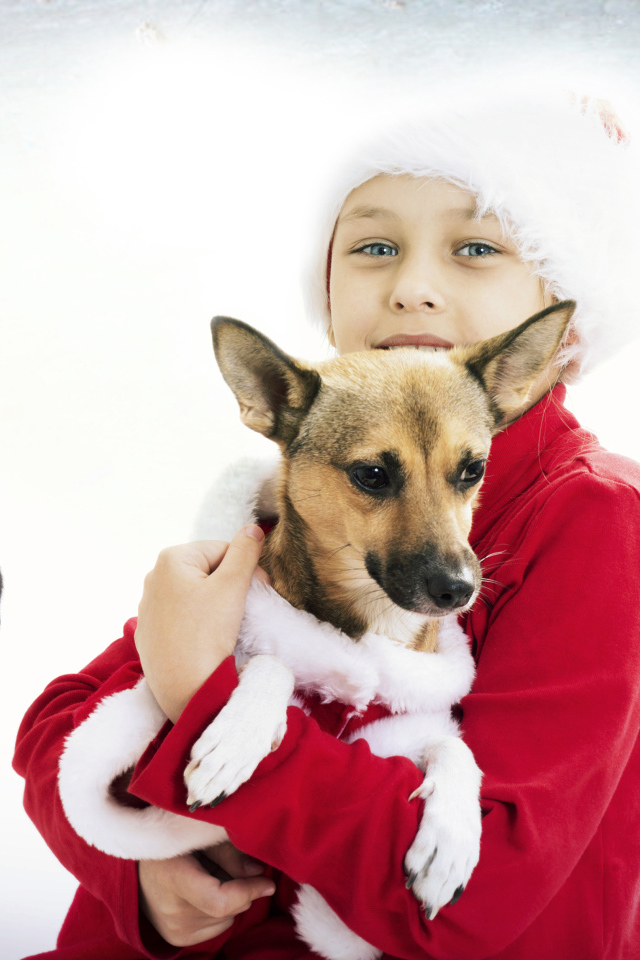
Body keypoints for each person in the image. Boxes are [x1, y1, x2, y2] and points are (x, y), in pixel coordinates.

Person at [14, 94, 640, 960]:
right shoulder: (295, 487)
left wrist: (208, 697)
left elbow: (472, 894)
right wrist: (142, 878)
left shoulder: (595, 517)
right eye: (373, 246)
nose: (413, 284)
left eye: (477, 248)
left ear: (553, 336)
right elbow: (58, 727)